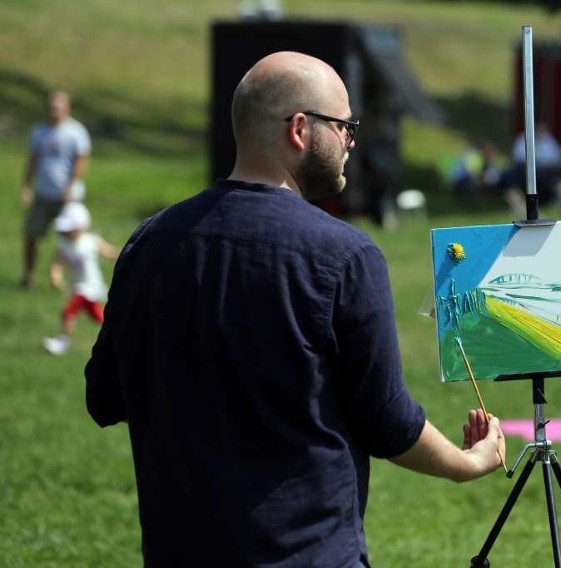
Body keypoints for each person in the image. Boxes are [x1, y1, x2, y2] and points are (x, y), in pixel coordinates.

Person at [84, 51, 505, 568]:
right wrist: (466, 463)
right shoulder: (347, 255)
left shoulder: (147, 243)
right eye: (344, 125)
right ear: (301, 129)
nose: (352, 140)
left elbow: (104, 397)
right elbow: (386, 421)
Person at [20, 90, 91, 288]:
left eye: (58, 106)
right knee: (31, 234)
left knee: (71, 241)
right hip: (42, 194)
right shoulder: (39, 132)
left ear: (67, 107)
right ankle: (28, 276)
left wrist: (70, 186)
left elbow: (81, 162)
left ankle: (71, 280)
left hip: (67, 197)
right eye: (51, 106)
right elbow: (32, 161)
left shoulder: (76, 132)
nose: (54, 110)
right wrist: (27, 186)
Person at [42, 202, 119, 355]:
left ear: (81, 227)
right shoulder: (63, 245)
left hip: (89, 287)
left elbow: (108, 252)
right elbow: (57, 262)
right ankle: (117, 333)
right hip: (76, 285)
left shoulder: (91, 241)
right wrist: (55, 276)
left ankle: (63, 341)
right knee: (98, 316)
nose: (66, 232)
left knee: (68, 311)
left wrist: (126, 253)